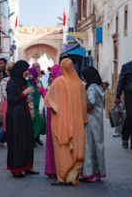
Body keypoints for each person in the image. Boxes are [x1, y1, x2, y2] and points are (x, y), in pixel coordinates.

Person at [44, 58, 87, 186]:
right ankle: (74, 177)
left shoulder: (58, 82)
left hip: (61, 122)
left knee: (62, 149)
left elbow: (49, 101)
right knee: (75, 149)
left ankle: (63, 177)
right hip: (77, 122)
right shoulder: (79, 84)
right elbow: (84, 105)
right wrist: (84, 118)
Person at [6, 60, 39, 178]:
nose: (27, 72)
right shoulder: (11, 83)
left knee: (28, 140)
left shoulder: (23, 82)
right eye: (25, 70)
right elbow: (12, 100)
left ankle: (28, 166)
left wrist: (26, 99)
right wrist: (24, 93)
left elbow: (20, 98)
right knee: (17, 142)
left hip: (24, 115)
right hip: (15, 117)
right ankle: (16, 169)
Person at [80, 66, 106, 182]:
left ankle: (90, 173)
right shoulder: (98, 87)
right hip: (98, 120)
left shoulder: (91, 88)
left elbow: (91, 101)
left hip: (91, 120)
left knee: (89, 145)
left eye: (83, 76)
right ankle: (98, 172)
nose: (82, 78)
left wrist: (84, 107)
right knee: (98, 145)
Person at [44, 64, 61, 177]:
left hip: (57, 117)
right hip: (51, 117)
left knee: (56, 143)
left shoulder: (58, 85)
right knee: (51, 143)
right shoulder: (55, 84)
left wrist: (41, 91)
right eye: (50, 76)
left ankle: (56, 169)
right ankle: (52, 169)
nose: (51, 78)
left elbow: (51, 101)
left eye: (52, 75)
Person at [28, 67, 46, 146]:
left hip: (40, 106)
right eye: (28, 74)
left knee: (41, 122)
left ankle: (36, 138)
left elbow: (43, 92)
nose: (29, 76)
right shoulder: (27, 83)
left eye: (31, 74)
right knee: (33, 123)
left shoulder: (39, 82)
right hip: (31, 105)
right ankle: (33, 139)